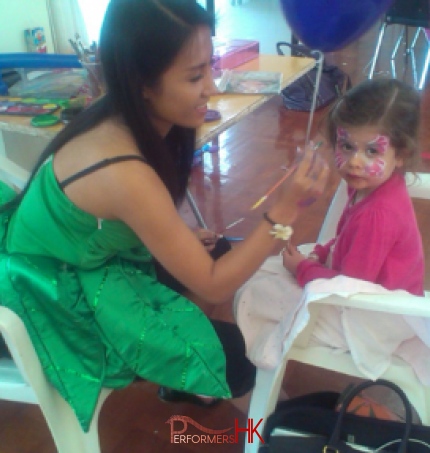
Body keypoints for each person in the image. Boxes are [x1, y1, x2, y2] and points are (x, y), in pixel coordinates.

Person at [0, 0, 329, 431]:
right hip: (44, 300)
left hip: (76, 260)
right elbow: (213, 283)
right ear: (143, 84)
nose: (212, 86)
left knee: (218, 253)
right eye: (195, 76)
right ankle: (273, 430)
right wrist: (283, 210)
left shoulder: (122, 119)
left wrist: (178, 239)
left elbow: (104, 224)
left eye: (210, 66)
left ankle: (185, 378)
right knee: (232, 354)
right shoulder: (124, 169)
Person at [282, 78, 424, 296]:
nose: (354, 162)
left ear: (401, 155)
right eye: (347, 146)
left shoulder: (377, 215)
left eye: (372, 151)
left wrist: (301, 268)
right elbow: (347, 239)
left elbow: (349, 288)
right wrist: (320, 253)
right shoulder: (371, 185)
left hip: (376, 316)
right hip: (362, 290)